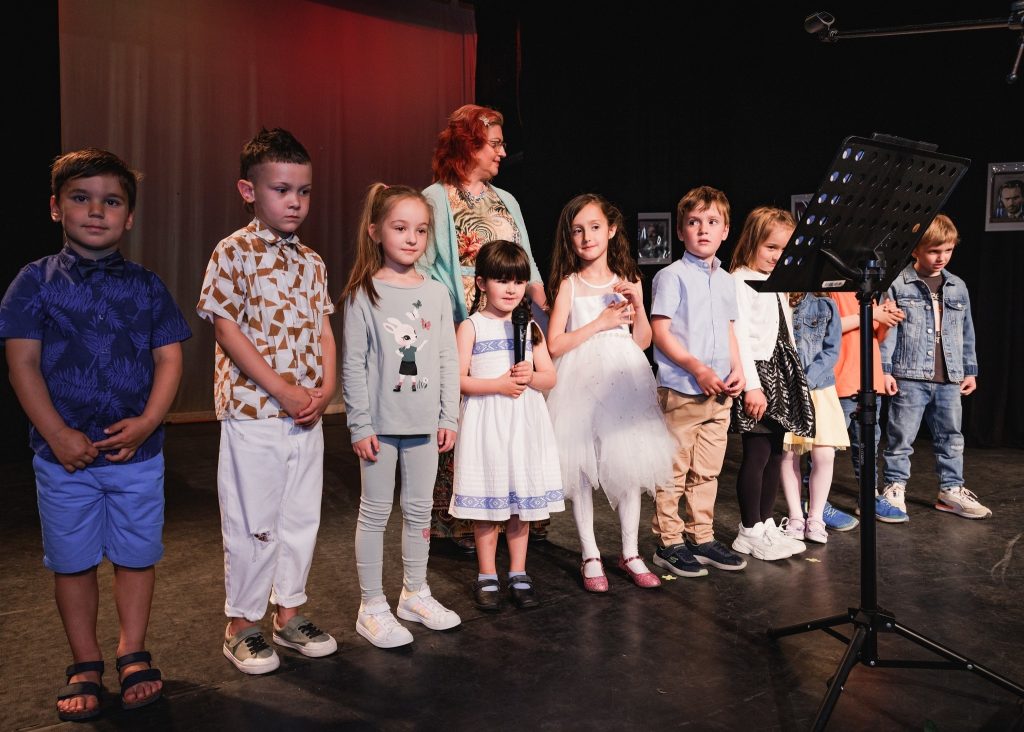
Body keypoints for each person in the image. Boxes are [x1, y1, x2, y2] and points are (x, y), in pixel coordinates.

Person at [0, 148, 191, 721]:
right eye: (81, 198)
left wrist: (149, 422)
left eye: (111, 201)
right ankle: (84, 661)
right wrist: (57, 433)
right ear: (56, 208)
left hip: (137, 455)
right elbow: (22, 364)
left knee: (136, 555)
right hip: (64, 457)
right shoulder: (33, 282)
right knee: (72, 561)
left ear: (128, 217)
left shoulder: (148, 286)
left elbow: (169, 359)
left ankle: (132, 651)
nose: (96, 211)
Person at [197, 128, 338, 675]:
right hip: (254, 411)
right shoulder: (232, 252)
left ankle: (289, 613)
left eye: (303, 191)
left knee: (300, 517)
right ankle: (241, 625)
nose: (295, 201)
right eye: (282, 190)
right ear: (249, 191)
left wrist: (326, 387)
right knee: (253, 520)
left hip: (305, 415)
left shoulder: (312, 261)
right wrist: (280, 388)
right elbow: (226, 328)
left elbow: (324, 328)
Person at [420, 104, 550, 551]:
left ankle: (517, 511)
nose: (502, 152)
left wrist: (545, 304)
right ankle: (461, 522)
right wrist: (449, 319)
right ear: (467, 145)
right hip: (461, 320)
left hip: (510, 321)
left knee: (510, 413)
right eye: (494, 143)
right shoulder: (435, 198)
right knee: (467, 415)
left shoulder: (506, 200)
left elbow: (527, 262)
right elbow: (425, 266)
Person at [340, 183, 462, 648]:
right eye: (400, 228)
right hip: (380, 428)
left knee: (419, 511)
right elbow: (353, 364)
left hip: (425, 426)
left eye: (421, 230)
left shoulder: (436, 293)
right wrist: (360, 424)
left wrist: (448, 417)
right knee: (374, 513)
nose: (412, 238)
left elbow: (447, 357)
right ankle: (372, 605)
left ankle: (415, 593)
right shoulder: (364, 293)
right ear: (375, 231)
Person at [545, 194, 674, 592]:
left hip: (622, 379)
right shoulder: (569, 284)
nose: (587, 237)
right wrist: (600, 323)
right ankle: (590, 553)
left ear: (612, 229)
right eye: (578, 230)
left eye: (595, 227)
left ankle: (630, 552)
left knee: (628, 464)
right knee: (582, 467)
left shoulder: (627, 278)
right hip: (580, 381)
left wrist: (638, 302)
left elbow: (642, 341)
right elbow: (554, 344)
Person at [449, 240, 565, 611]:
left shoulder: (530, 327)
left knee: (520, 503)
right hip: (488, 422)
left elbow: (549, 377)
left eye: (518, 280)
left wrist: (531, 376)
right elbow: (457, 379)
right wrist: (496, 385)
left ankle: (518, 571)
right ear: (481, 282)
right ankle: (487, 574)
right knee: (489, 503)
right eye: (502, 280)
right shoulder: (471, 327)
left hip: (524, 424)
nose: (511, 288)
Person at [649, 186, 748, 578]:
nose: (703, 229)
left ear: (725, 230)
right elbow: (661, 333)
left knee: (707, 471)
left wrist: (737, 368)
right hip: (682, 391)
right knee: (673, 471)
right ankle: (668, 542)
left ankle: (700, 536)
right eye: (693, 222)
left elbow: (729, 329)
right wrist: (697, 368)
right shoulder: (671, 276)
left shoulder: (726, 281)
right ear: (680, 231)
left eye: (712, 222)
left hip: (719, 393)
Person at [880, 214, 990, 519]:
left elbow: (966, 331)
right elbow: (888, 330)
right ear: (915, 249)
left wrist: (969, 370)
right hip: (910, 374)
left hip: (949, 376)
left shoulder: (957, 286)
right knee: (901, 437)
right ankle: (894, 487)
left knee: (951, 436)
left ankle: (951, 490)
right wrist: (885, 370)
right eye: (933, 251)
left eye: (948, 250)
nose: (941, 257)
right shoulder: (898, 285)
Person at [728, 206, 814, 561]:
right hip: (759, 376)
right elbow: (740, 337)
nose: (778, 256)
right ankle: (748, 530)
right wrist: (752, 385)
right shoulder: (740, 280)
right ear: (752, 242)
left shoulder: (775, 281)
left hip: (780, 373)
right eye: (771, 248)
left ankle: (765, 525)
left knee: (777, 453)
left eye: (784, 250)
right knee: (758, 453)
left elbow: (782, 331)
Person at [779, 292, 849, 544]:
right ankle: (795, 517)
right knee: (789, 454)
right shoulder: (777, 300)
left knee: (824, 455)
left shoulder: (824, 304)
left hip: (819, 388)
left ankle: (816, 518)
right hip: (787, 389)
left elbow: (831, 351)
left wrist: (806, 380)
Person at [829, 288, 905, 522]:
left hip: (868, 381)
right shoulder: (828, 290)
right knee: (826, 447)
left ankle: (868, 497)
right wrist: (872, 314)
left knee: (868, 445)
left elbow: (875, 336)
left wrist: (886, 319)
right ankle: (816, 503)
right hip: (840, 380)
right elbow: (828, 328)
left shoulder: (864, 292)